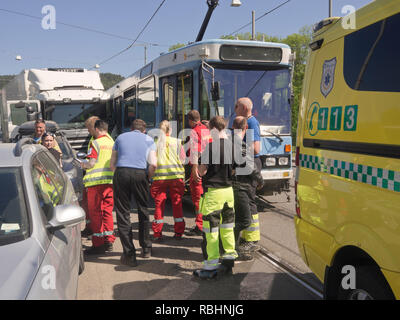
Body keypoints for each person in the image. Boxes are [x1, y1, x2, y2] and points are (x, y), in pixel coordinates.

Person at [193, 116, 237, 280]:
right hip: (228, 192)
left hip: (213, 193)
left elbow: (202, 172)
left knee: (210, 231)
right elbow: (234, 170)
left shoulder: (210, 148)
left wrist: (197, 167)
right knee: (227, 228)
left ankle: (210, 266)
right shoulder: (234, 147)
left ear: (212, 128)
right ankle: (228, 262)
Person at [110, 119, 157, 267]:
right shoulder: (149, 139)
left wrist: (118, 174)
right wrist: (148, 178)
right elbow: (154, 164)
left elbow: (113, 162)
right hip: (140, 174)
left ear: (131, 129)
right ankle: (146, 248)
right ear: (144, 130)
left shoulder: (120, 137)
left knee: (123, 213)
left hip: (122, 172)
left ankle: (129, 255)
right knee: (143, 210)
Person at [231, 116, 264, 261]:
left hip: (227, 186)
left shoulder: (225, 142)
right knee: (244, 219)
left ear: (232, 127)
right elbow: (251, 167)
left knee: (233, 216)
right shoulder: (240, 145)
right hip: (241, 186)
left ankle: (231, 245)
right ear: (245, 129)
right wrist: (260, 180)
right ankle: (236, 246)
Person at [81, 120, 116, 255]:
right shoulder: (112, 142)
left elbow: (91, 163)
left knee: (95, 213)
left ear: (96, 129)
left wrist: (82, 165)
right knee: (107, 211)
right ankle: (109, 241)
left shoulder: (95, 143)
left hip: (95, 184)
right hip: (109, 182)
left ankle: (98, 244)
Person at [150, 120, 186, 241]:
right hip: (176, 177)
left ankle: (157, 233)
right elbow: (183, 160)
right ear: (170, 130)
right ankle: (178, 232)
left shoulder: (155, 143)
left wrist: (150, 176)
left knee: (159, 205)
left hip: (160, 178)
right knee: (177, 203)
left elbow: (152, 163)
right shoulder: (177, 142)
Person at [186, 110, 211, 236]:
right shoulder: (206, 129)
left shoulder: (194, 131)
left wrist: (194, 169)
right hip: (208, 165)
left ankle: (199, 226)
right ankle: (205, 222)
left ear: (190, 120)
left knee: (197, 198)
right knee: (205, 196)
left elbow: (195, 151)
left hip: (199, 166)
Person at [80, 116, 101, 238]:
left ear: (94, 127)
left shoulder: (98, 141)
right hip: (92, 180)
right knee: (88, 207)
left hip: (96, 180)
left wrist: (84, 164)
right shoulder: (94, 139)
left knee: (95, 210)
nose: (88, 131)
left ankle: (97, 234)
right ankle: (90, 228)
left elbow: (93, 162)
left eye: (88, 128)